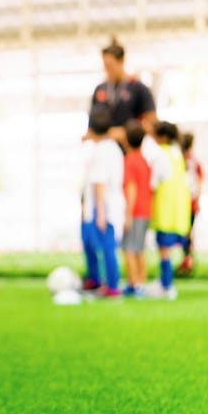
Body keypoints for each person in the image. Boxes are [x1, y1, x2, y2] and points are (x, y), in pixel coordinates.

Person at [81, 107, 125, 298]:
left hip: (103, 206)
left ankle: (111, 285)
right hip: (108, 204)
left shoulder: (101, 151)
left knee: (106, 247)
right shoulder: (113, 148)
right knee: (101, 246)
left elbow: (100, 183)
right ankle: (100, 281)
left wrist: (99, 212)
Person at [149, 122, 192, 300]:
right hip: (179, 209)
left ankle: (166, 284)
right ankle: (166, 282)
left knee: (164, 249)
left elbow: (155, 182)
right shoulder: (177, 154)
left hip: (165, 208)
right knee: (169, 249)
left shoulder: (161, 154)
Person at [90, 37, 158, 146]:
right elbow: (91, 127)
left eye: (110, 66)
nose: (107, 70)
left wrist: (127, 133)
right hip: (106, 150)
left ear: (122, 61)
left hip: (131, 149)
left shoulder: (138, 88)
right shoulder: (100, 89)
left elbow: (153, 124)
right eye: (105, 66)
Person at [121, 122, 152, 297]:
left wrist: (128, 214)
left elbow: (131, 189)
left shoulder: (129, 161)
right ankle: (141, 282)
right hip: (146, 210)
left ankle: (134, 284)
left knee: (129, 249)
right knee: (139, 248)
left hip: (135, 211)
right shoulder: (144, 161)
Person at [177, 133, 204, 276]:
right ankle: (187, 261)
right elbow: (199, 184)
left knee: (185, 234)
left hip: (183, 203)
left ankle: (187, 262)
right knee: (187, 233)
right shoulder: (193, 161)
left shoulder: (181, 160)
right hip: (191, 203)